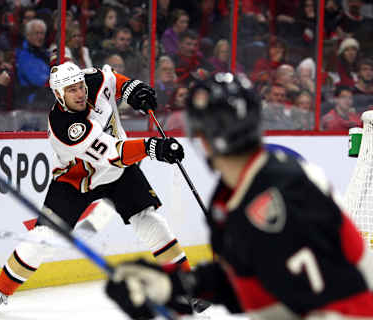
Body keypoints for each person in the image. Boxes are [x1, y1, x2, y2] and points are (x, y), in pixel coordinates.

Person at [105, 72, 373, 320]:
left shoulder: (280, 191)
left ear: (204, 138)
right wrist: (176, 286)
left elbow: (310, 293)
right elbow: (252, 276)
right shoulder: (234, 194)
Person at [0, 61, 196, 313]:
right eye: (72, 90)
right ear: (59, 95)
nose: (80, 93)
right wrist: (152, 147)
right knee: (42, 239)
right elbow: (113, 153)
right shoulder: (64, 127)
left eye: (80, 86)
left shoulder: (94, 79)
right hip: (76, 180)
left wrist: (133, 90)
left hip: (119, 173)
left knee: (150, 221)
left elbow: (113, 79)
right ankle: (1, 290)